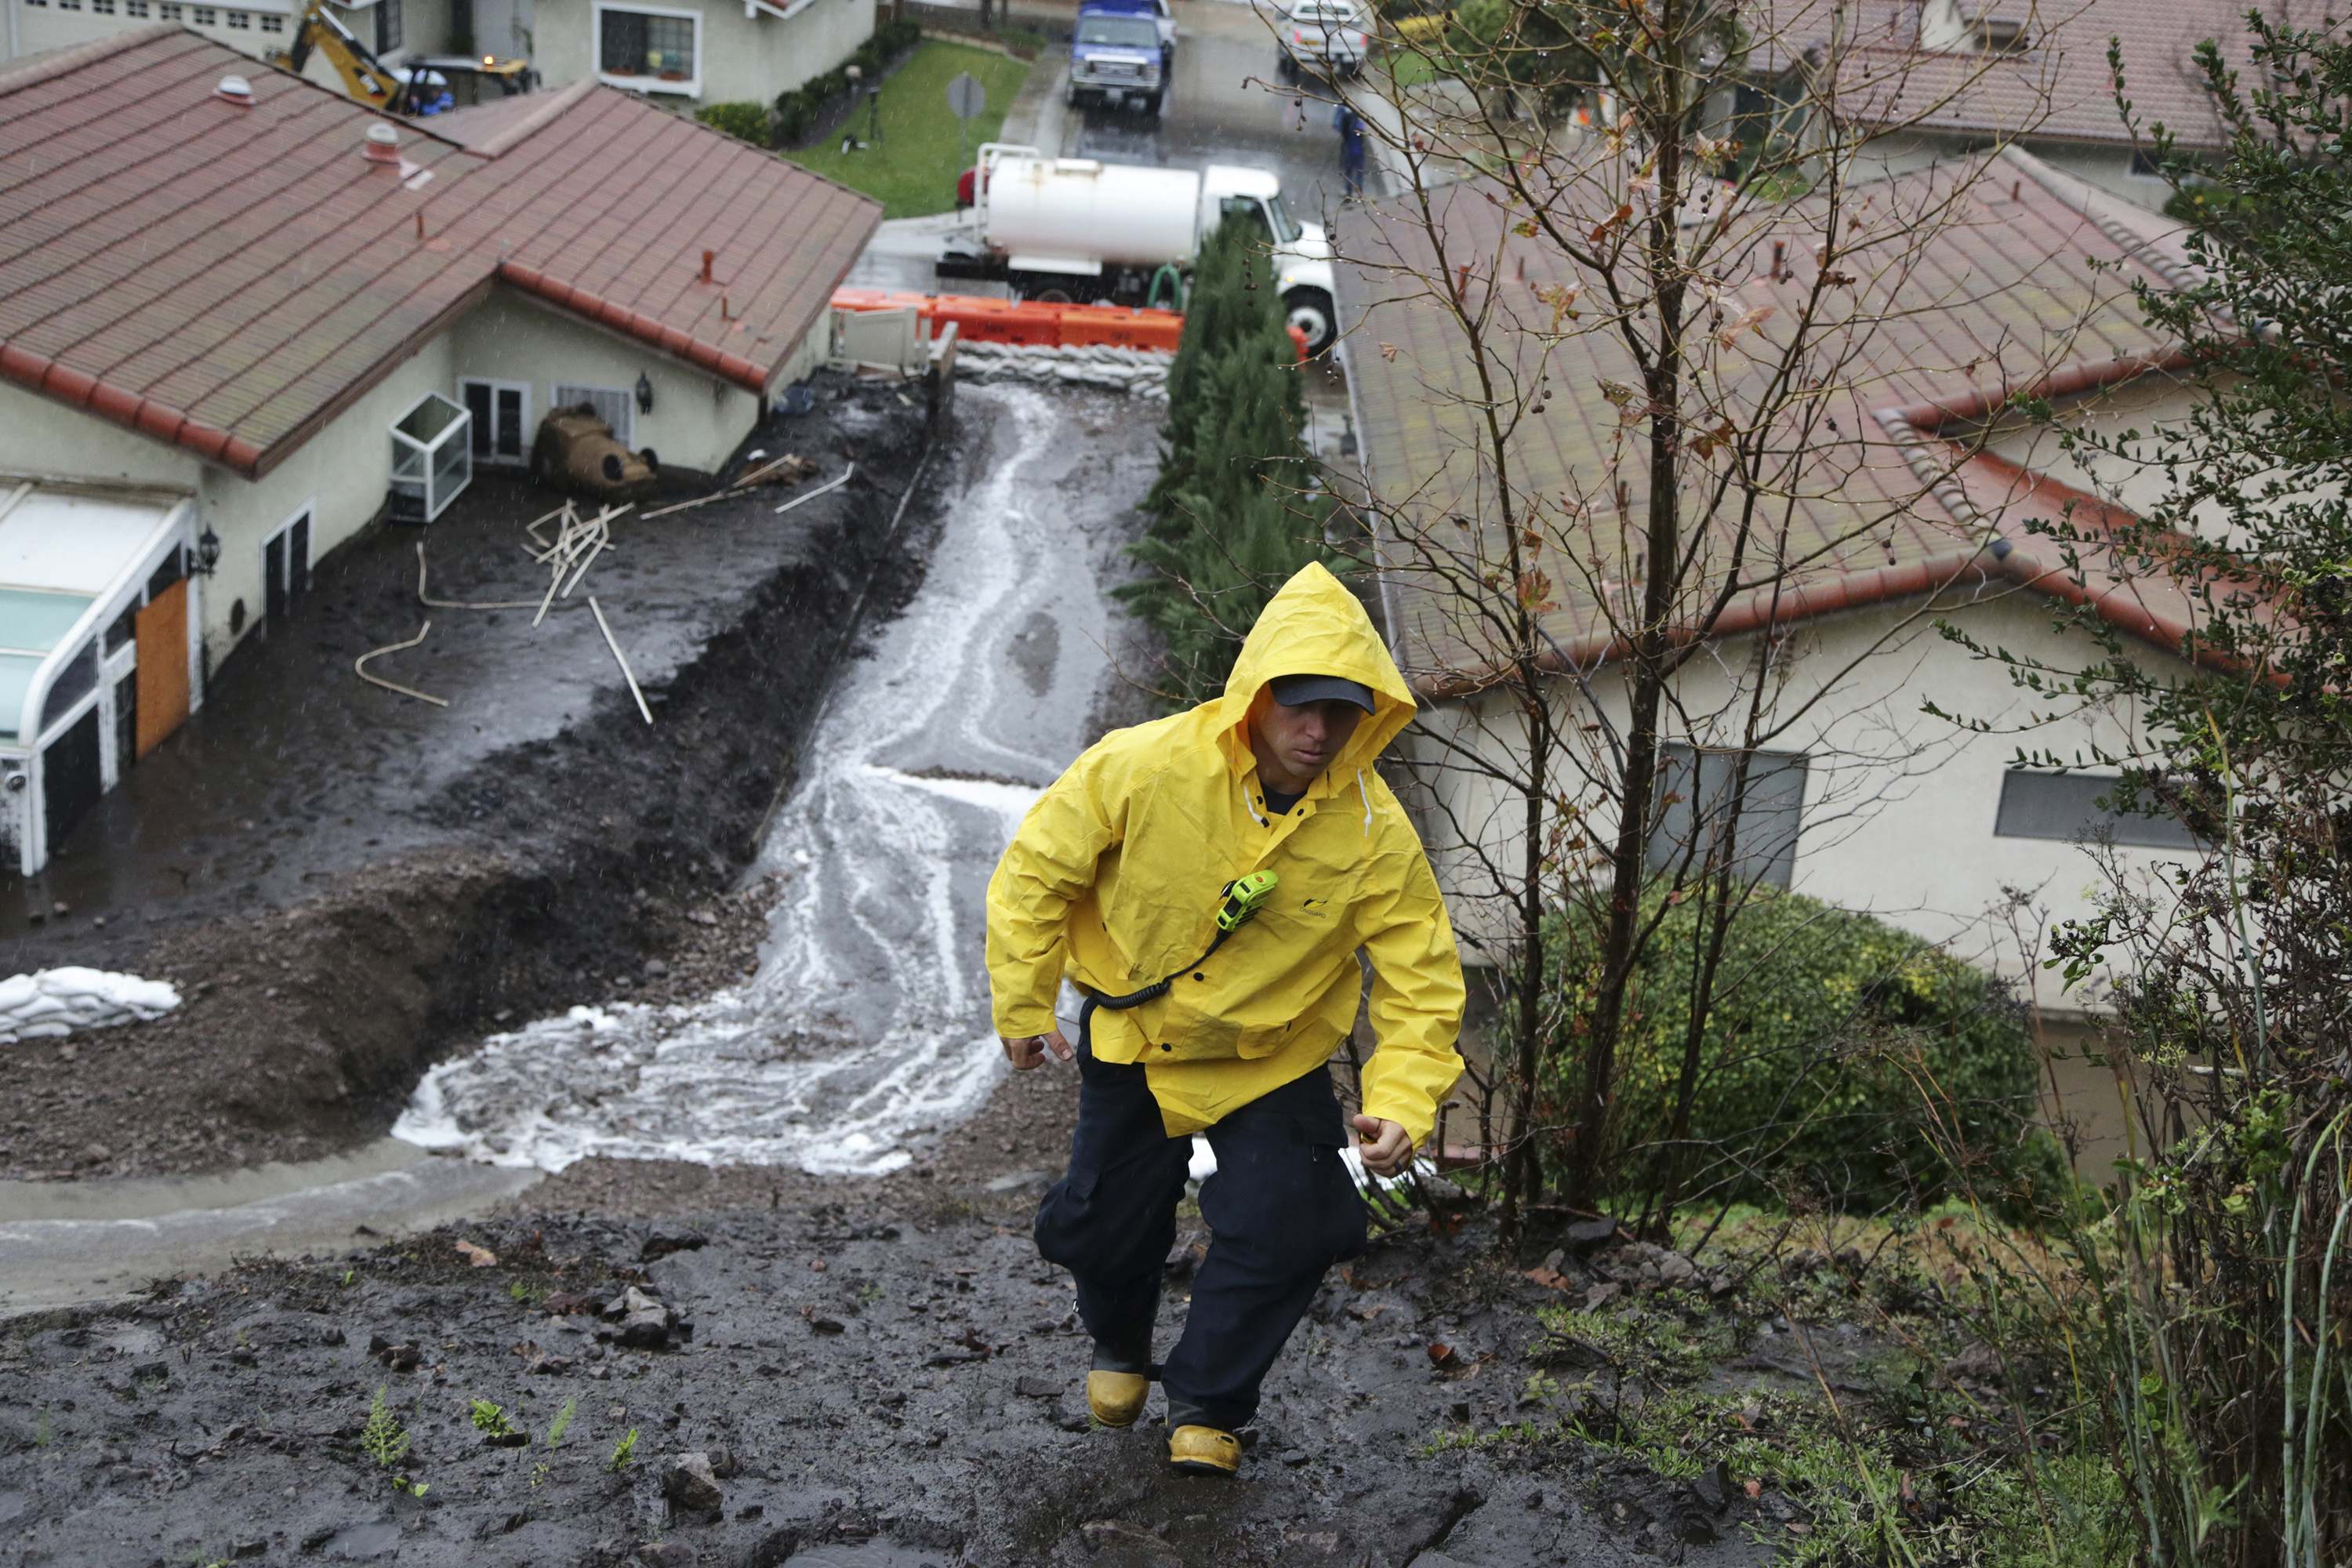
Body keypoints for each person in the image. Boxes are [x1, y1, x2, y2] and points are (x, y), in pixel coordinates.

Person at [985, 562, 1465, 1478]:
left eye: (1343, 709)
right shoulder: (1147, 762)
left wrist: (1403, 1096)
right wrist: (1023, 998)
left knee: (1297, 1218)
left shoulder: (1374, 830)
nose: (1319, 730)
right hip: (1137, 1035)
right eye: (1300, 704)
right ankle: (1120, 1338)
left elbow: (1422, 980)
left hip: (1271, 1053)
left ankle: (1210, 1399)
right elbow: (1037, 870)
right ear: (1256, 694)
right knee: (1102, 1223)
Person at [1334, 103, 1368, 199]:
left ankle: (1349, 191)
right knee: (1359, 171)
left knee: (1349, 171)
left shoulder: (1346, 118)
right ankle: (1359, 192)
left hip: (1350, 149)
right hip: (1358, 149)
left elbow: (1340, 129)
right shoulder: (1358, 119)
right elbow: (1362, 132)